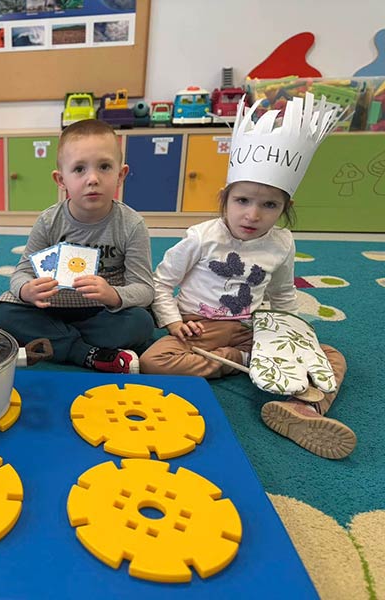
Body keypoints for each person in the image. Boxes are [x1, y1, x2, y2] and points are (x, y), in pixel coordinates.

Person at [140, 93, 356, 459]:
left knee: (330, 356)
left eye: (269, 205)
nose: (253, 215)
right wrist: (174, 322)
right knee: (152, 361)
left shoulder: (282, 243)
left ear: (285, 208)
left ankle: (305, 409)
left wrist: (291, 335)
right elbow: (160, 282)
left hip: (249, 328)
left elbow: (283, 294)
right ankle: (244, 364)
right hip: (198, 328)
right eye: (242, 201)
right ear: (224, 199)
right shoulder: (201, 237)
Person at [0, 119, 155, 372]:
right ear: (61, 180)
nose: (93, 179)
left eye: (104, 167)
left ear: (120, 175)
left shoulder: (131, 224)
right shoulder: (49, 221)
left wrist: (113, 295)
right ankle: (86, 352)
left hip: (101, 313)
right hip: (52, 309)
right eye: (79, 169)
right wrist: (26, 291)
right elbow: (21, 273)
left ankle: (58, 342)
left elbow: (144, 289)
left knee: (141, 322)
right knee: (4, 311)